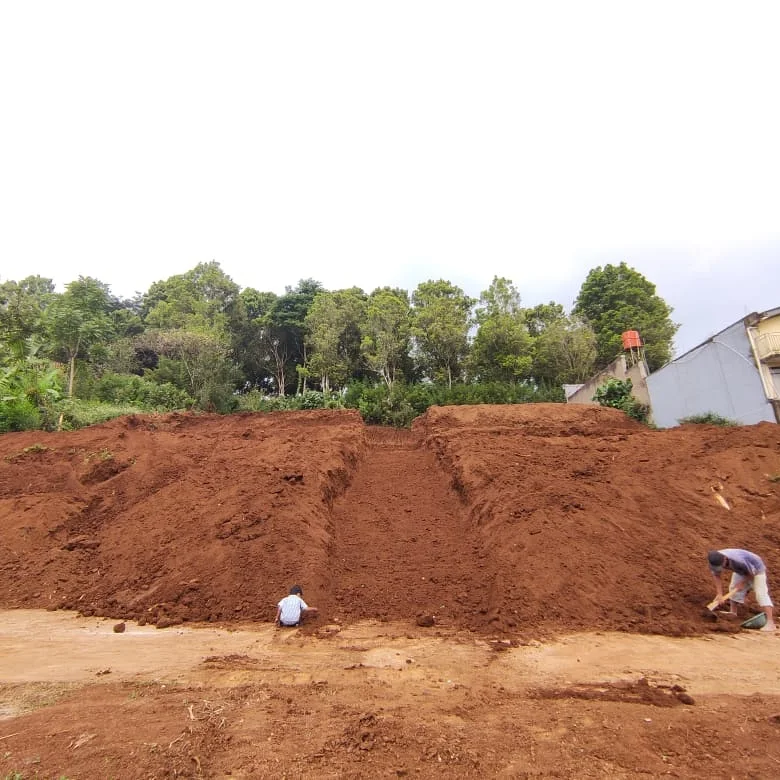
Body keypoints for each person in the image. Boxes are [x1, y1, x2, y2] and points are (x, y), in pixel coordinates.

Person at [707, 549, 775, 632]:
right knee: (733, 587)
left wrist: (742, 583)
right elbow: (717, 576)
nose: (720, 568)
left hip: (756, 568)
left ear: (725, 558)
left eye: (721, 565)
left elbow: (751, 573)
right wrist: (719, 594)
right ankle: (733, 613)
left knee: (761, 594)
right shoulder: (714, 561)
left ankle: (770, 623)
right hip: (740, 570)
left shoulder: (738, 560)